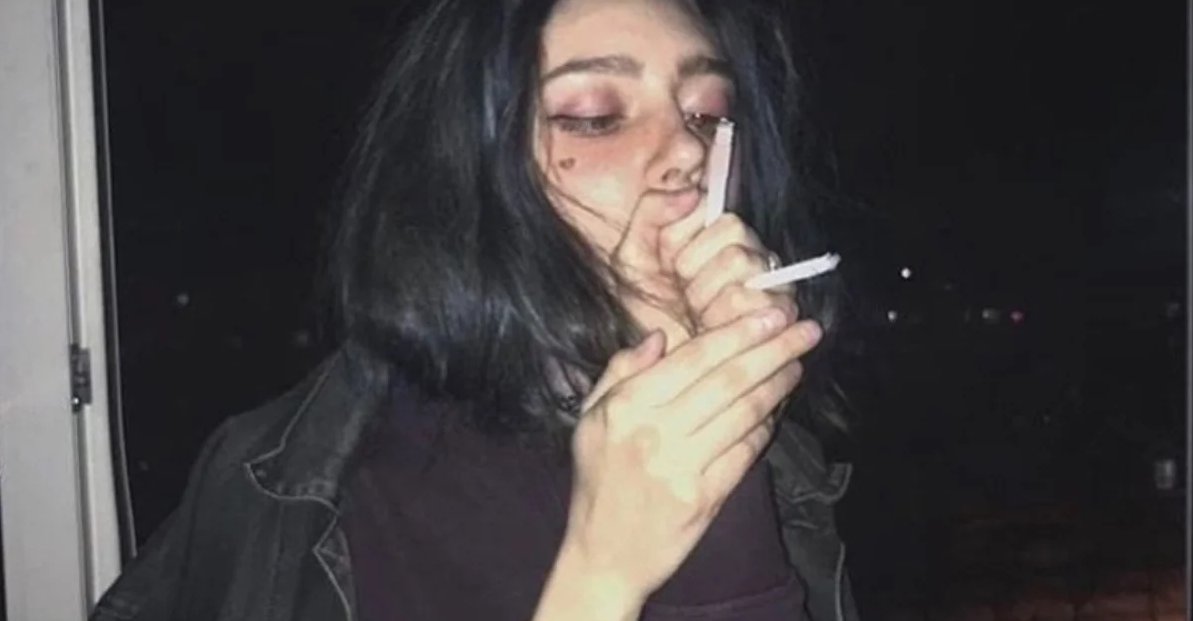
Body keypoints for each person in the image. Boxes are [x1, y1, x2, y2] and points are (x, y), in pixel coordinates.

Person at [90, 0, 859, 619]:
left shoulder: (771, 452)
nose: (688, 153)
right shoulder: (303, 484)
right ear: (468, 167)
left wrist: (715, 433)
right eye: (595, 115)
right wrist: (601, 572)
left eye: (707, 113)